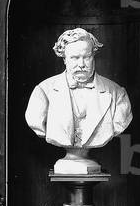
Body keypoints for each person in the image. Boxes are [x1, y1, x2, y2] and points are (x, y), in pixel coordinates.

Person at [25, 28, 132, 172]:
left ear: (93, 56)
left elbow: (119, 123)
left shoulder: (117, 93)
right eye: (74, 58)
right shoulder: (43, 92)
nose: (81, 64)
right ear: (64, 59)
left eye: (86, 57)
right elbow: (36, 121)